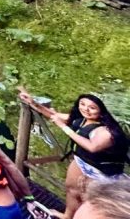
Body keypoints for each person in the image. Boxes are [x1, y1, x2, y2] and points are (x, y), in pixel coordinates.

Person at [20, 91, 129, 219]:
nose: (85, 109)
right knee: (71, 189)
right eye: (82, 104)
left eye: (92, 108)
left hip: (100, 171)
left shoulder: (107, 132)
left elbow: (92, 147)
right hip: (82, 161)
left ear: (103, 111)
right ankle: (67, 215)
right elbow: (54, 115)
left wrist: (63, 127)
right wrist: (33, 102)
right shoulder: (83, 119)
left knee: (94, 201)